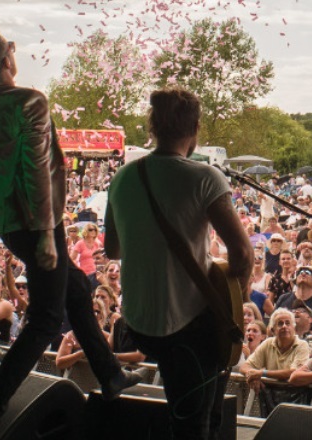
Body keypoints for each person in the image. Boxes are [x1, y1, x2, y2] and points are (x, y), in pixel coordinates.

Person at [0, 26, 137, 439]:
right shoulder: (30, 101)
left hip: (9, 226)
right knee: (44, 319)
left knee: (76, 289)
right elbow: (38, 171)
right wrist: (46, 234)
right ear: (7, 59)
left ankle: (110, 374)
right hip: (40, 223)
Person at [104, 87, 253, 440]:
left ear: (152, 127)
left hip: (139, 321)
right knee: (193, 425)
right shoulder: (204, 177)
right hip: (186, 327)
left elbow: (112, 250)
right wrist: (235, 302)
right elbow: (243, 253)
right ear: (195, 128)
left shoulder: (122, 177)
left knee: (201, 414)